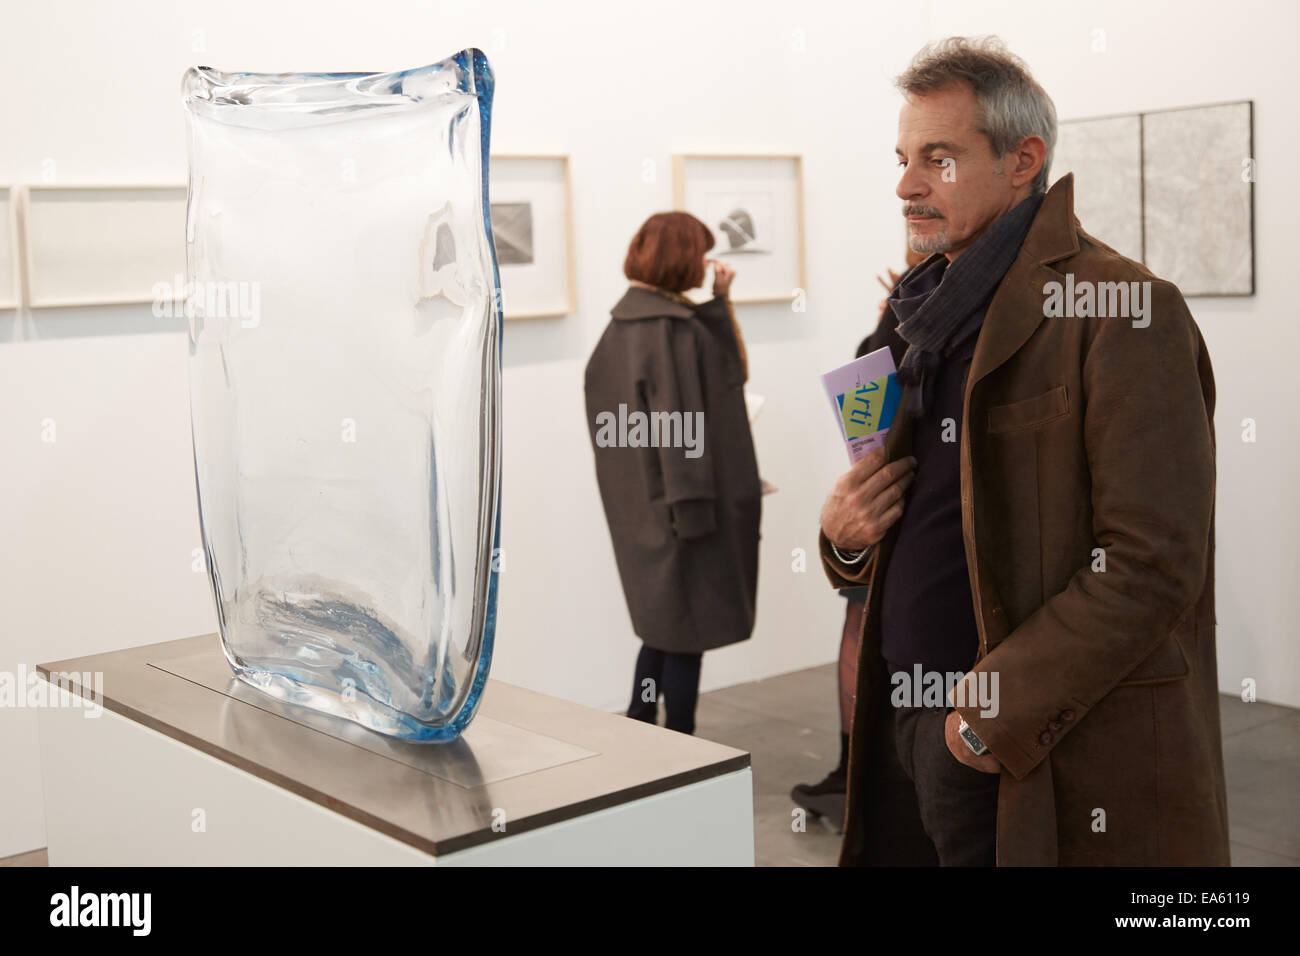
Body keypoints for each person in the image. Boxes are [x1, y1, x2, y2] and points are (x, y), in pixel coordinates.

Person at [819, 36, 1228, 866]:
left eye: (938, 157)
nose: (906, 184)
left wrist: (979, 727)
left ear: (1023, 160)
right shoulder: (920, 312)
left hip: (1017, 748)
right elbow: (910, 513)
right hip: (903, 725)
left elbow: (1152, 562)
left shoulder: (1125, 309)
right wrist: (842, 540)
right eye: (902, 158)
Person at [584, 212, 762, 736]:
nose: (707, 263)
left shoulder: (622, 328)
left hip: (641, 511)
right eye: (701, 253)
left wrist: (718, 301)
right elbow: (681, 425)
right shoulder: (668, 333)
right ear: (681, 258)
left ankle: (641, 724)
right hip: (685, 512)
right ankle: (680, 742)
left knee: (662, 627)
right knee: (687, 634)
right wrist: (695, 508)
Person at [791, 250, 923, 831]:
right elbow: (866, 391)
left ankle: (861, 777)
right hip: (886, 506)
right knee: (862, 626)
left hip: (894, 504)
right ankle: (857, 773)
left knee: (864, 631)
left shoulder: (919, 316)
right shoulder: (918, 312)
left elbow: (867, 388)